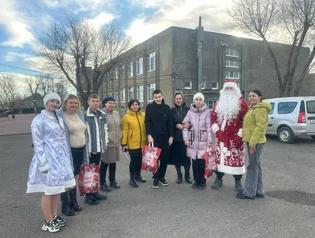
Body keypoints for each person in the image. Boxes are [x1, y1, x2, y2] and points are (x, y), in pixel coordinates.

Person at [26, 93, 76, 233]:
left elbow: (63, 141)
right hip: (48, 160)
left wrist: (67, 160)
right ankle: (47, 221)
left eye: (56, 102)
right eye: (52, 101)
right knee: (48, 191)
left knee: (56, 190)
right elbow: (38, 143)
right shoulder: (38, 120)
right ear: (46, 102)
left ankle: (54, 216)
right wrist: (43, 163)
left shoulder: (58, 118)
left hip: (60, 160)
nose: (54, 104)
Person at [210, 79, 248, 193]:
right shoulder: (218, 103)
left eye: (231, 88)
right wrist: (217, 131)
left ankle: (238, 182)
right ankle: (219, 178)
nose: (229, 91)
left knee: (236, 160)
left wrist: (240, 135)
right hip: (221, 138)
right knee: (219, 160)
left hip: (235, 138)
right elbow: (213, 119)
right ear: (223, 90)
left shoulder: (242, 104)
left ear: (236, 90)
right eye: (227, 88)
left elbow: (246, 121)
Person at [237, 90, 271, 199]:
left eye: (254, 96)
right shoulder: (253, 107)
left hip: (255, 142)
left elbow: (260, 127)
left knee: (252, 166)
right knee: (256, 165)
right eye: (250, 96)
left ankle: (249, 192)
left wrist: (252, 143)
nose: (251, 97)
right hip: (252, 140)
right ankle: (259, 191)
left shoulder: (260, 109)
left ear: (260, 97)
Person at [57, 94, 88, 216]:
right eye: (71, 103)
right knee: (66, 177)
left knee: (75, 177)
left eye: (75, 103)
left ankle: (73, 201)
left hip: (81, 150)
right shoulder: (60, 115)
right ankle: (65, 204)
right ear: (65, 103)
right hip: (68, 152)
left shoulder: (79, 114)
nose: (74, 105)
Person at [145, 89, 174, 189]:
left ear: (162, 97)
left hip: (165, 137)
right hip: (154, 138)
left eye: (159, 97)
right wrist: (149, 135)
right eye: (156, 97)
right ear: (153, 98)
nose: (157, 99)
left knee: (164, 159)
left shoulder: (166, 108)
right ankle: (156, 178)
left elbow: (170, 123)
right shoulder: (149, 107)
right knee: (155, 159)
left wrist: (171, 136)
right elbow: (147, 122)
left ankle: (162, 177)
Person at [183, 93, 212, 189]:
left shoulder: (207, 112)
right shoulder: (190, 112)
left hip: (203, 142)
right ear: (194, 101)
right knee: (194, 163)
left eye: (200, 99)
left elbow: (208, 128)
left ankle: (202, 181)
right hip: (192, 141)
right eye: (197, 99)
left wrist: (209, 142)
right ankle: (196, 181)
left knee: (202, 163)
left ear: (203, 101)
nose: (198, 101)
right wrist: (186, 139)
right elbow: (185, 126)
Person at [85, 94, 108, 205]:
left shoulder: (102, 114)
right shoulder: (85, 115)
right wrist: (87, 148)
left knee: (95, 171)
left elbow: (105, 131)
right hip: (90, 149)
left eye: (97, 101)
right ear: (88, 102)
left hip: (99, 148)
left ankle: (95, 192)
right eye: (93, 100)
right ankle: (88, 196)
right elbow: (85, 134)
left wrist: (105, 143)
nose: (95, 103)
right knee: (88, 172)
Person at [121, 99, 147, 188]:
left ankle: (138, 176)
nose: (135, 106)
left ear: (139, 105)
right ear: (130, 107)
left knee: (140, 161)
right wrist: (124, 144)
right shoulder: (126, 117)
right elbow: (124, 131)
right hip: (132, 144)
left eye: (136, 104)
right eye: (133, 105)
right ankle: (132, 179)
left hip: (142, 143)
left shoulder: (143, 115)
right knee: (134, 162)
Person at [169, 92, 192, 184]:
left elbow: (193, 121)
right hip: (176, 138)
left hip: (186, 139)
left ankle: (187, 176)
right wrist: (176, 125)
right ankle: (179, 176)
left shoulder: (188, 109)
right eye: (177, 99)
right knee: (177, 159)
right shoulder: (172, 110)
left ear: (182, 99)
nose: (178, 100)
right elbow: (170, 123)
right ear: (174, 100)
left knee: (187, 158)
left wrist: (189, 125)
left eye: (180, 98)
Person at [100, 96, 121, 190]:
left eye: (113, 103)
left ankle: (112, 180)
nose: (112, 104)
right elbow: (101, 129)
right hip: (107, 143)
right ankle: (102, 183)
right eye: (109, 103)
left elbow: (119, 126)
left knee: (113, 162)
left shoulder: (116, 113)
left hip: (116, 142)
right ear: (105, 104)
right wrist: (108, 138)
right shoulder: (101, 114)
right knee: (105, 163)